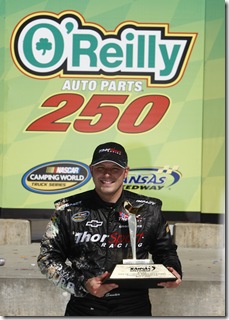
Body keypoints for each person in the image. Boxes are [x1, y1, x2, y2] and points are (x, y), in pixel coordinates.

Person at [37, 142, 182, 316]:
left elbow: (166, 251)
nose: (107, 174)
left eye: (115, 169)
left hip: (134, 306)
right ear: (91, 170)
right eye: (101, 168)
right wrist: (82, 284)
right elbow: (47, 258)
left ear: (126, 172)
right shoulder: (67, 210)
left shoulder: (149, 209)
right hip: (85, 305)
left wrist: (173, 270)